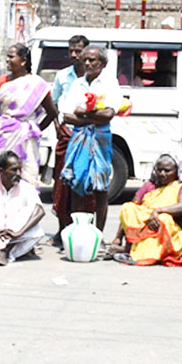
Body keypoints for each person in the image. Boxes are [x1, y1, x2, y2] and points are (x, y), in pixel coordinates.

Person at [60, 45, 122, 232]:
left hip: (101, 139)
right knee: (77, 182)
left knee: (100, 187)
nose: (87, 63)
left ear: (102, 64)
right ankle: (80, 230)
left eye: (92, 60)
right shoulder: (77, 84)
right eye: (85, 59)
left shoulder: (110, 83)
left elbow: (109, 114)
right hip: (79, 138)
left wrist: (84, 115)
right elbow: (67, 116)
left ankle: (99, 233)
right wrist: (94, 114)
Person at [0, 44, 59, 187]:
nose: (7, 60)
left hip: (27, 137)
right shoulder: (1, 82)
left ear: (23, 61)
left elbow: (52, 113)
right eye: (7, 56)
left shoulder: (37, 84)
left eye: (11, 56)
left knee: (26, 176)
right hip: (3, 134)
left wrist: (35, 129)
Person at [109, 153, 182, 266]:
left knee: (164, 218)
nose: (162, 174)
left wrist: (158, 211)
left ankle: (133, 252)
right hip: (146, 224)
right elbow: (134, 207)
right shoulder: (149, 185)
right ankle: (130, 247)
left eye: (167, 171)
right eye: (159, 170)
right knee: (127, 207)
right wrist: (118, 238)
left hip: (167, 230)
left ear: (176, 171)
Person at [51, 35, 94, 239]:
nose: (74, 55)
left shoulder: (94, 76)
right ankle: (62, 229)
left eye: (78, 51)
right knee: (62, 182)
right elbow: (51, 104)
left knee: (86, 184)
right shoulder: (62, 76)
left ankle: (87, 230)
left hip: (89, 135)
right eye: (71, 51)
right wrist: (57, 126)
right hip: (67, 134)